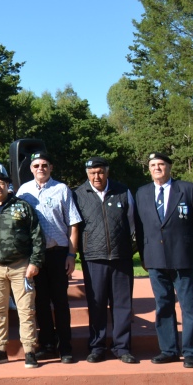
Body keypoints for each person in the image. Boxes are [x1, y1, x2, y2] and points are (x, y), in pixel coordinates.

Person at [133, 152, 193, 369]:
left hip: (184, 258)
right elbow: (140, 230)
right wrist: (144, 256)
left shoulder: (187, 189)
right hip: (155, 260)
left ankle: (191, 352)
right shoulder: (142, 193)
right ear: (148, 169)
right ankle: (168, 350)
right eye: (152, 165)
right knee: (163, 306)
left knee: (189, 307)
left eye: (161, 164)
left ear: (169, 167)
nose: (157, 168)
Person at [0, 170, 44, 369]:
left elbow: (37, 236)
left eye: (2, 184)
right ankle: (0, 349)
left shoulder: (22, 207)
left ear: (8, 186)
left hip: (21, 266)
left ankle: (30, 351)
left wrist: (35, 262)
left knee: (26, 310)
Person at [16, 152, 81, 364]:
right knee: (41, 302)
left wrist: (71, 254)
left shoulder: (62, 189)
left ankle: (66, 347)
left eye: (45, 164)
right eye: (36, 165)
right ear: (31, 169)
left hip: (58, 253)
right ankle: (47, 344)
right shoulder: (23, 191)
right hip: (35, 256)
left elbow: (73, 224)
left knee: (60, 302)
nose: (40, 168)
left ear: (51, 167)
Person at [73, 156, 138, 364]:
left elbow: (133, 224)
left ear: (107, 172)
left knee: (122, 305)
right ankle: (97, 346)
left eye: (100, 172)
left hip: (121, 257)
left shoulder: (122, 191)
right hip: (93, 257)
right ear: (87, 174)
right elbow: (75, 226)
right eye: (92, 173)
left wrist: (130, 249)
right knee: (97, 304)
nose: (96, 176)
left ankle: (122, 347)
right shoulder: (78, 194)